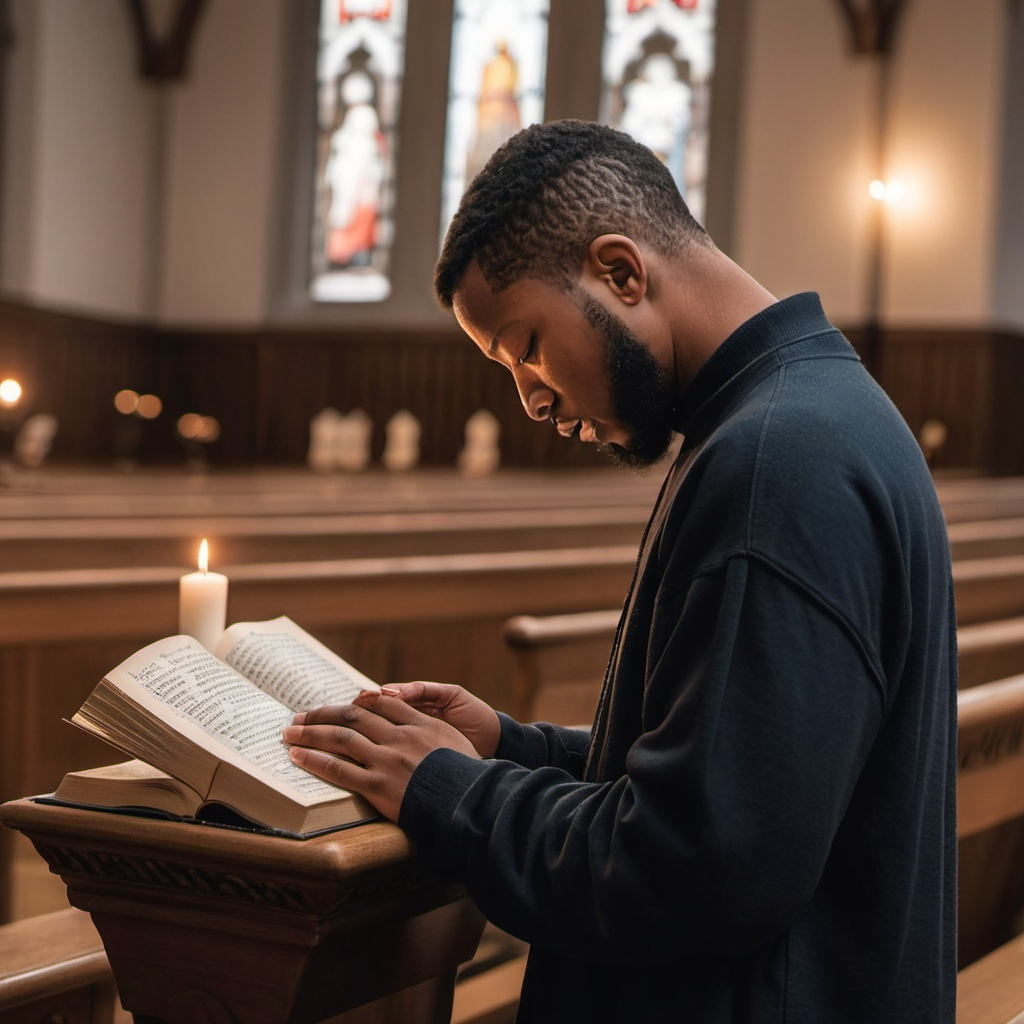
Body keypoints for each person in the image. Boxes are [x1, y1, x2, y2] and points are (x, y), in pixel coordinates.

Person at [283, 119, 957, 1023]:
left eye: (525, 347)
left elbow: (694, 868)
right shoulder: (806, 415)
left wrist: (448, 789)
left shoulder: (774, 465)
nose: (529, 398)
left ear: (621, 272)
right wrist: (509, 748)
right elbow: (738, 772)